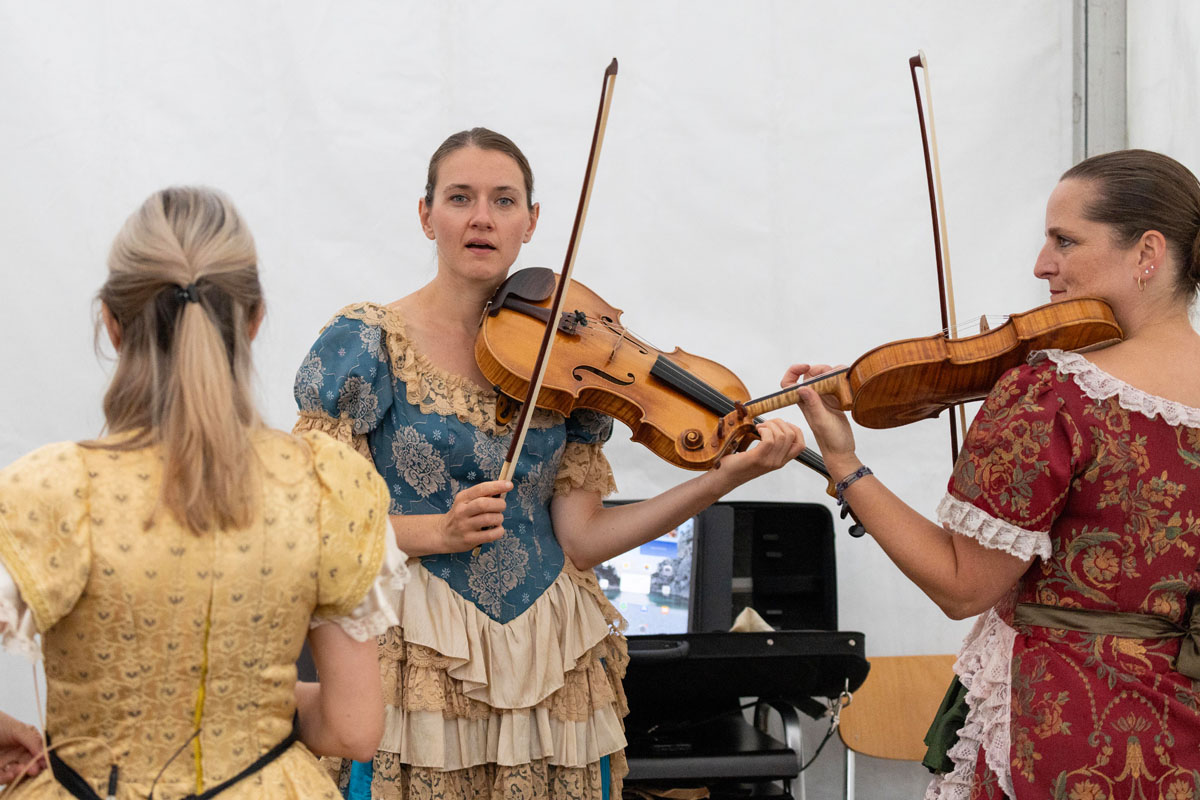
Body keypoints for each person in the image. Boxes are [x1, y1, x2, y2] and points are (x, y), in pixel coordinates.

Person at [293, 127, 806, 800]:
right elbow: (315, 530)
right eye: (460, 197)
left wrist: (722, 478)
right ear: (426, 215)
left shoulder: (570, 358)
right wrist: (437, 531)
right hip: (415, 646)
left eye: (504, 200)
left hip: (550, 653)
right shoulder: (366, 343)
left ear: (531, 222)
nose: (482, 217)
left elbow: (583, 540)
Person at [786, 148, 1200, 799]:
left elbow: (962, 587)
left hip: (1065, 731)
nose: (1042, 264)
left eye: (1065, 240)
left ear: (1147, 251)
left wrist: (843, 463)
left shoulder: (1053, 394)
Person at [0, 187, 408, 798]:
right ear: (254, 320)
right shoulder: (326, 486)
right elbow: (352, 730)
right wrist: (250, 708)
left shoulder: (54, 491)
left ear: (111, 323)